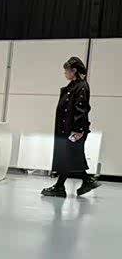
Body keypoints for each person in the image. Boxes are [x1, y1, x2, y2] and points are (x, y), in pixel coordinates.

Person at [42, 56, 99, 197]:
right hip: (67, 129)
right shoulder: (73, 86)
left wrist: (78, 130)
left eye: (66, 70)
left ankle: (60, 187)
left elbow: (81, 108)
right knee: (71, 156)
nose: (65, 73)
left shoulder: (81, 86)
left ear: (74, 71)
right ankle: (87, 181)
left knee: (68, 157)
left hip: (74, 131)